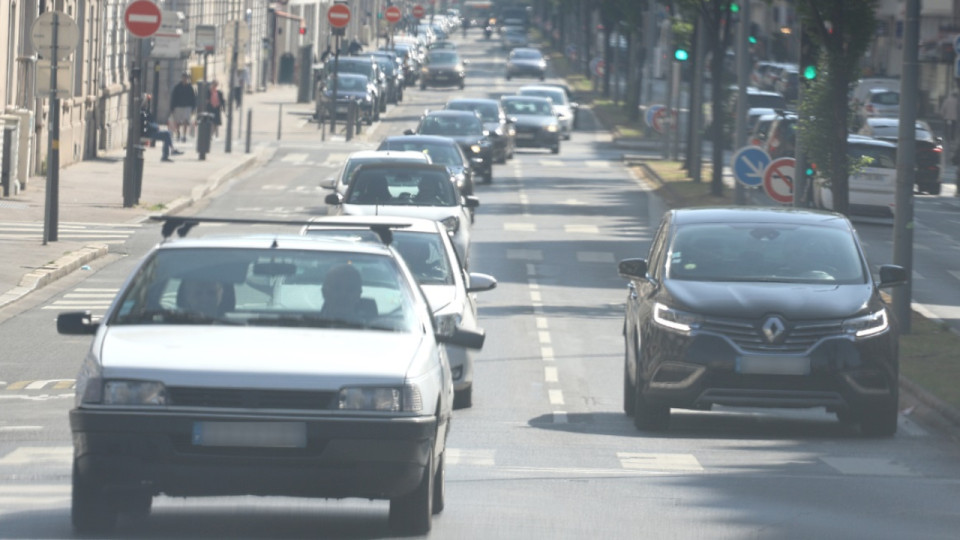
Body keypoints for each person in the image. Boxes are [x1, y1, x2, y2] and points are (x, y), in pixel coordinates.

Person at [140, 95, 183, 162]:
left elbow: (149, 122)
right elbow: (147, 124)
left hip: (149, 132)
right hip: (147, 133)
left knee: (167, 134)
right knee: (166, 134)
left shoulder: (144, 111)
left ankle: (169, 152)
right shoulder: (143, 113)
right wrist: (156, 127)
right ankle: (169, 152)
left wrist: (155, 126)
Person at [170, 73, 196, 142]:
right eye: (183, 78)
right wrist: (172, 107)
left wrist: (193, 108)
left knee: (185, 121)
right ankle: (178, 132)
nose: (184, 79)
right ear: (181, 78)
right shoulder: (177, 87)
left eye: (186, 78)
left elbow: (193, 98)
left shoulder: (190, 88)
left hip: (187, 106)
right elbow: (174, 97)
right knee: (178, 121)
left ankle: (184, 135)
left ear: (187, 79)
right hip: (178, 106)